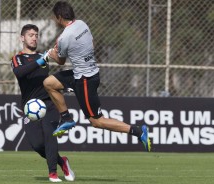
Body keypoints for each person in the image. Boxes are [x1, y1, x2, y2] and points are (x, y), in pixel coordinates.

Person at [43, 1, 151, 152]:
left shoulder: (64, 37)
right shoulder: (82, 24)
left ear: (60, 17)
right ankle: (66, 118)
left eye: (55, 18)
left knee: (97, 121)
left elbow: (60, 61)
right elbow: (91, 44)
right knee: (49, 83)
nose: (55, 20)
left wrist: (51, 54)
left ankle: (137, 131)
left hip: (85, 80)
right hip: (83, 73)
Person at [11, 24, 75, 182]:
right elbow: (20, 73)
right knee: (38, 145)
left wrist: (65, 87)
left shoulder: (43, 58)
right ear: (22, 38)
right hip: (30, 108)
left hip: (48, 104)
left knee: (50, 135)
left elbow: (48, 82)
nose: (34, 38)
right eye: (30, 35)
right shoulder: (18, 59)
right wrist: (41, 60)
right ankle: (62, 162)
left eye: (36, 35)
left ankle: (52, 173)